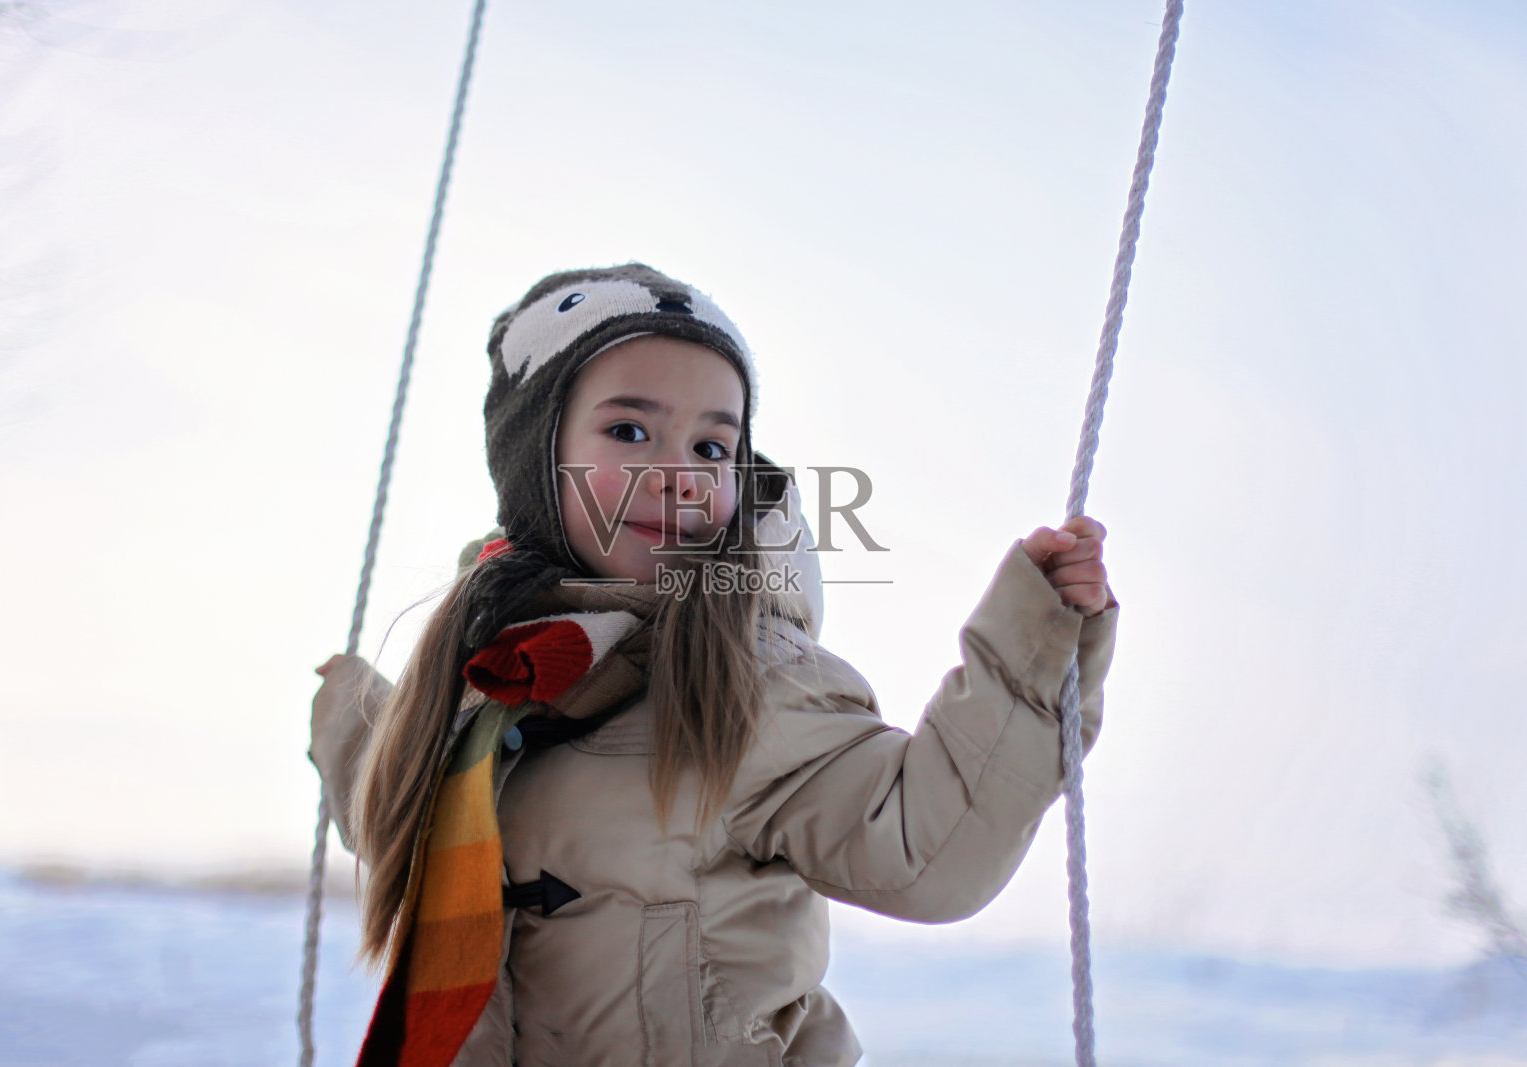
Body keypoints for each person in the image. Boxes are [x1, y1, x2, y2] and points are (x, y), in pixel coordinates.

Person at [310, 262, 1118, 1067]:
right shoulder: (473, 682)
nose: (680, 474)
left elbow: (925, 847)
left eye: (711, 444)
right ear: (535, 462)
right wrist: (351, 717)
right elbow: (393, 808)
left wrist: (1031, 648)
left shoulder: (753, 682)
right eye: (629, 430)